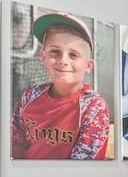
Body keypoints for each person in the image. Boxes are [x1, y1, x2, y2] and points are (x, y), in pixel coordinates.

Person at [10, 12, 110, 159]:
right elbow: (16, 143)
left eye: (73, 55)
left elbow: (84, 164)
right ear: (43, 57)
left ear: (88, 66)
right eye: (55, 52)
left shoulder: (94, 106)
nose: (63, 60)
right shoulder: (30, 96)